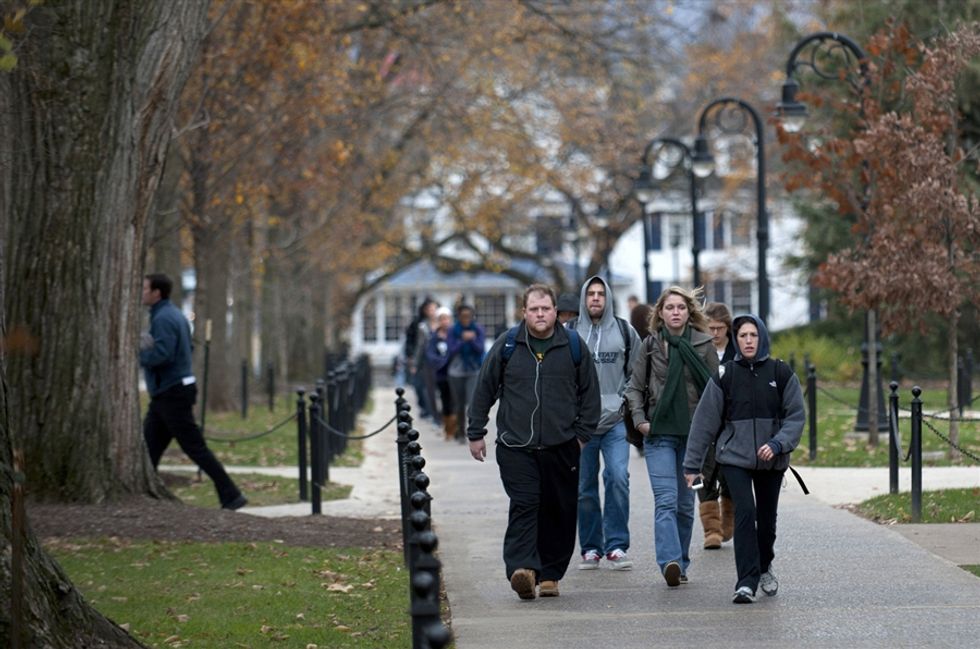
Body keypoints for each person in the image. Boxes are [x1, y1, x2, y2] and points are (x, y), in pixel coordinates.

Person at [467, 284, 600, 600]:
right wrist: (476, 432)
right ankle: (523, 569)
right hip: (517, 446)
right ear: (524, 312)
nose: (540, 314)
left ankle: (551, 574)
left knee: (559, 510)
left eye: (546, 309)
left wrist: (581, 436)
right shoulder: (508, 345)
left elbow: (590, 395)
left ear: (556, 312)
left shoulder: (572, 346)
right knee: (526, 504)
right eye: (534, 309)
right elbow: (484, 389)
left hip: (562, 445)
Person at [683, 314, 805, 604]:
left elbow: (796, 417)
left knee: (766, 519)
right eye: (742, 336)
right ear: (735, 340)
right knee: (745, 512)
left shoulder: (781, 373)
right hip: (735, 458)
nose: (748, 341)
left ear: (761, 337)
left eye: (753, 335)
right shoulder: (726, 375)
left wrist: (777, 444)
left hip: (771, 459)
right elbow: (704, 422)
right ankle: (746, 582)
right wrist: (692, 464)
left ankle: (764, 567)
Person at [624, 286, 717, 587]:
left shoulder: (704, 344)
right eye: (669, 307)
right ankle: (670, 562)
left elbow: (716, 392)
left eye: (680, 307)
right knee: (665, 500)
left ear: (689, 311)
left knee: (685, 504)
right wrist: (640, 421)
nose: (675, 312)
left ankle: (682, 561)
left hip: (694, 439)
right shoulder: (650, 345)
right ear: (660, 314)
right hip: (659, 435)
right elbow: (634, 387)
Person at [139, 273, 246, 510]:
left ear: (157, 292)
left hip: (172, 392)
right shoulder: (172, 314)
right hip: (168, 393)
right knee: (149, 447)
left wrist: (138, 354)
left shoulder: (164, 318)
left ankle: (231, 494)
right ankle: (144, 493)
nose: (142, 292)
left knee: (194, 447)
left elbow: (163, 354)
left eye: (145, 289)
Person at [569, 276, 641, 571]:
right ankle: (590, 548)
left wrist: (624, 401)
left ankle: (616, 545)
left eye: (601, 294)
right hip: (580, 426)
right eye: (591, 294)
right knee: (584, 488)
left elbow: (637, 373)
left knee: (617, 478)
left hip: (614, 423)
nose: (596, 298)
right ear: (584, 299)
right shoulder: (570, 332)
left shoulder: (625, 331)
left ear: (608, 298)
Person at [697, 302, 738, 549]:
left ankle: (728, 521)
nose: (715, 333)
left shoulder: (737, 350)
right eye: (710, 327)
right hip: (705, 418)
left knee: (731, 472)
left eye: (719, 328)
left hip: (732, 421)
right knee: (704, 472)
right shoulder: (699, 349)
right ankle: (711, 529)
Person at [446, 304, 485, 443]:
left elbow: (481, 349)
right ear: (459, 317)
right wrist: (462, 340)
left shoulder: (478, 329)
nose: (466, 319)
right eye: (463, 316)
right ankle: (460, 431)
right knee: (459, 404)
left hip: (473, 370)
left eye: (468, 316)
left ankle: (473, 431)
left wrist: (473, 339)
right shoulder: (452, 330)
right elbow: (451, 350)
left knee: (472, 402)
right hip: (456, 372)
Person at [425, 306, 456, 440]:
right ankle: (448, 429)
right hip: (441, 374)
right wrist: (441, 361)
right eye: (442, 319)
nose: (445, 322)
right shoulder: (434, 337)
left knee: (457, 401)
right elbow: (430, 354)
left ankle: (457, 428)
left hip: (455, 372)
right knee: (445, 400)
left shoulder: (454, 335)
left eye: (447, 319)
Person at [405, 298, 438, 420]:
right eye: (429, 309)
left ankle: (434, 411)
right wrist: (411, 358)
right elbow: (415, 343)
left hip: (438, 360)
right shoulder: (418, 324)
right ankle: (425, 408)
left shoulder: (442, 323)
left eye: (434, 309)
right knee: (421, 386)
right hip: (422, 359)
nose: (432, 311)